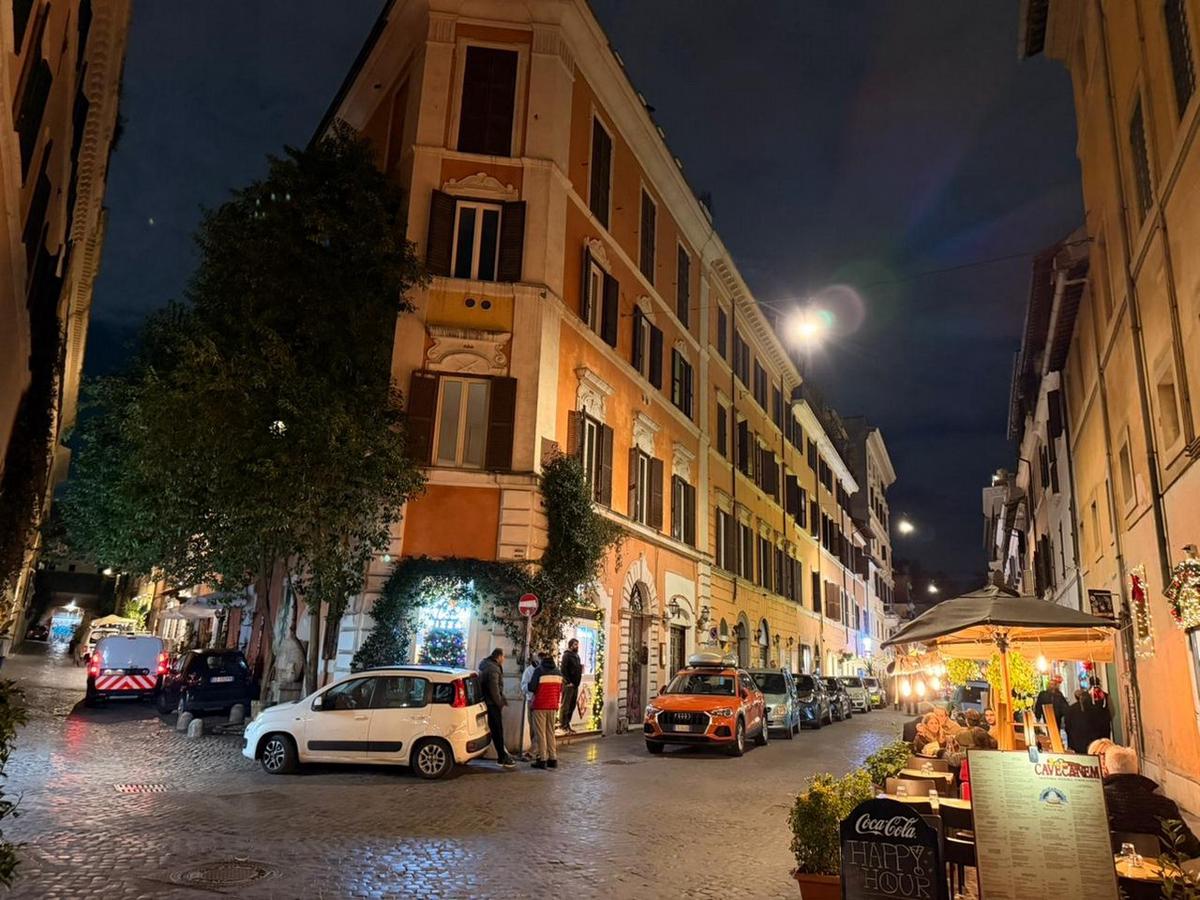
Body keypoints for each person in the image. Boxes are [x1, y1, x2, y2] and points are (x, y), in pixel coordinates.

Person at [1101, 745, 1200, 858]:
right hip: (1158, 871)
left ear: (1105, 771)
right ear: (1138, 770)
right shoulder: (1163, 806)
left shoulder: (1097, 802)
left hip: (1111, 870)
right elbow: (1191, 848)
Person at [477, 648, 516, 769]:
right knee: (497, 730)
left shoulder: (486, 665)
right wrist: (499, 702)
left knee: (495, 729)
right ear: (498, 656)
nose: (504, 659)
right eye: (503, 657)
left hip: (487, 701)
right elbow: (494, 689)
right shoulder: (493, 668)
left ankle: (502, 755)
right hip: (492, 704)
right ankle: (501, 757)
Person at [527, 652, 564, 769]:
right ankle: (553, 758)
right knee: (550, 732)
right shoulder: (558, 672)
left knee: (540, 733)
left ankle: (542, 759)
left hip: (540, 705)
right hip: (552, 705)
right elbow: (561, 689)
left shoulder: (539, 670)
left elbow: (532, 687)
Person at [521, 651, 544, 760]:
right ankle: (536, 750)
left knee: (537, 728)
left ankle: (536, 751)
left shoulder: (543, 670)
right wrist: (530, 693)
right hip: (532, 701)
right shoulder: (529, 671)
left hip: (541, 702)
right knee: (533, 728)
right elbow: (524, 686)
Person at [559, 638, 583, 731]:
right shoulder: (567, 655)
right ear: (571, 645)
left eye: (577, 644)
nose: (577, 646)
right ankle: (563, 724)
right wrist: (568, 682)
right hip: (569, 685)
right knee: (566, 705)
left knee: (572, 705)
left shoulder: (576, 656)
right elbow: (563, 670)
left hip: (575, 685)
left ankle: (567, 723)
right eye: (575, 644)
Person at [1063, 689, 1098, 754]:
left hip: (1076, 739)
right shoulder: (1092, 707)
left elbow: (1067, 725)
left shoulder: (1071, 709)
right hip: (1091, 739)